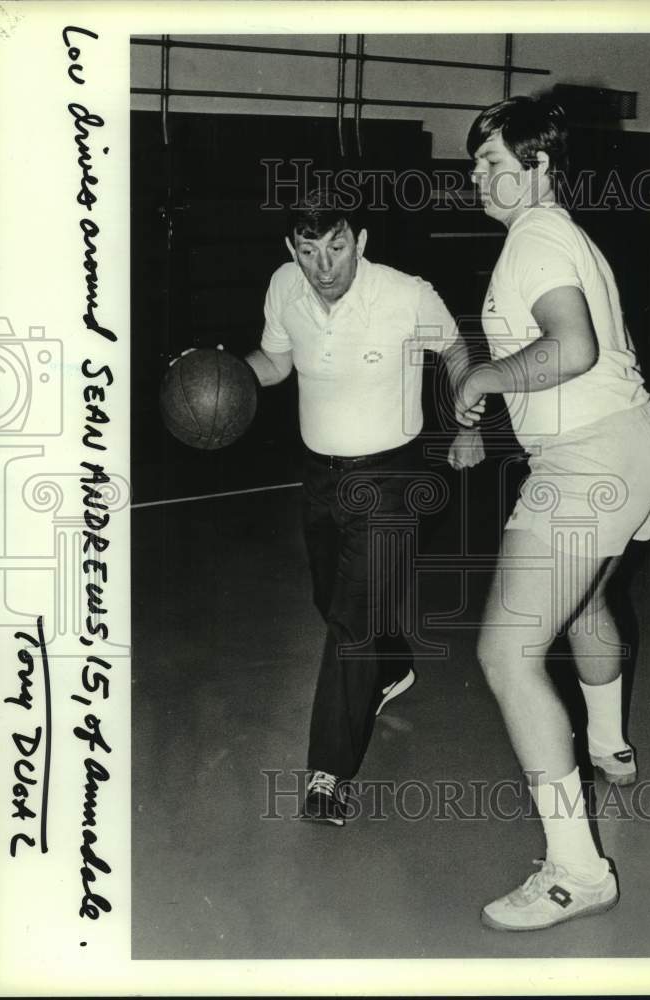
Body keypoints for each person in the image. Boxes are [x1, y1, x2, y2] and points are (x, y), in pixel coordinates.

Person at [454, 97, 650, 930]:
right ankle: (609, 747)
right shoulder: (567, 234)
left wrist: (481, 379)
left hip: (586, 458)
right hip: (630, 445)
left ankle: (576, 872)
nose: (478, 174)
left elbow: (570, 347)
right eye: (474, 163)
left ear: (539, 164)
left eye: (493, 161)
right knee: (581, 605)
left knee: (507, 654)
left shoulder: (532, 237)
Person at [245, 189, 481, 826]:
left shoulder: (405, 294)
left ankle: (329, 774)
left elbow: (456, 350)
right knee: (334, 600)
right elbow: (274, 362)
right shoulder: (283, 288)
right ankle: (393, 663)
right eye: (308, 249)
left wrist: (467, 419)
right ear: (290, 249)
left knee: (349, 622)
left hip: (391, 476)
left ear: (361, 241)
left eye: (338, 246)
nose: (324, 265)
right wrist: (224, 374)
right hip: (320, 475)